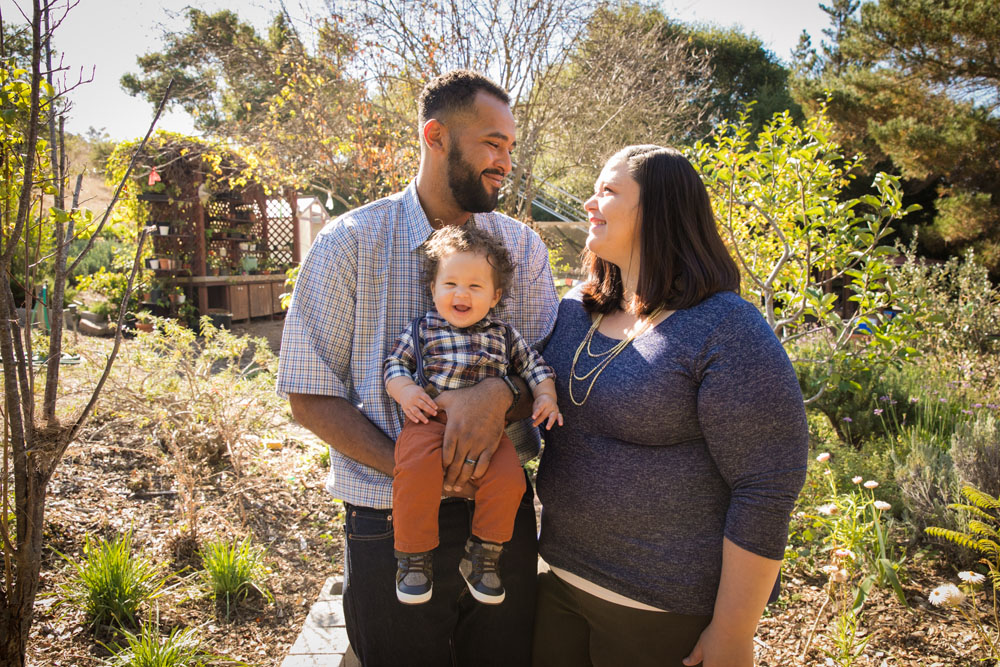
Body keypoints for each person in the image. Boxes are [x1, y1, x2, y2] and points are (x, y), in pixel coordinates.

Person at [276, 69, 558, 667]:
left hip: (501, 516)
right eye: (491, 143)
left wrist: (495, 394)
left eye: (510, 146)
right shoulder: (348, 243)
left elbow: (541, 370)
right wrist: (418, 472)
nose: (505, 161)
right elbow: (309, 393)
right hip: (386, 520)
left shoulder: (524, 251)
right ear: (435, 136)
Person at [532, 145, 809, 667]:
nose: (590, 203)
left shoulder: (725, 327)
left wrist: (733, 630)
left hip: (662, 612)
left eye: (608, 191)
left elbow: (768, 485)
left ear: (659, 210)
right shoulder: (575, 309)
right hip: (557, 583)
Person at [384, 224, 562, 606]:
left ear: (495, 296)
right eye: (450, 284)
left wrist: (546, 397)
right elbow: (395, 366)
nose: (461, 294)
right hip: (429, 420)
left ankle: (484, 554)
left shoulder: (505, 335)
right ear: (433, 289)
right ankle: (413, 557)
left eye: (475, 287)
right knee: (414, 472)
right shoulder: (422, 328)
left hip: (489, 433)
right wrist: (407, 391)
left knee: (510, 481)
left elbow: (536, 369)